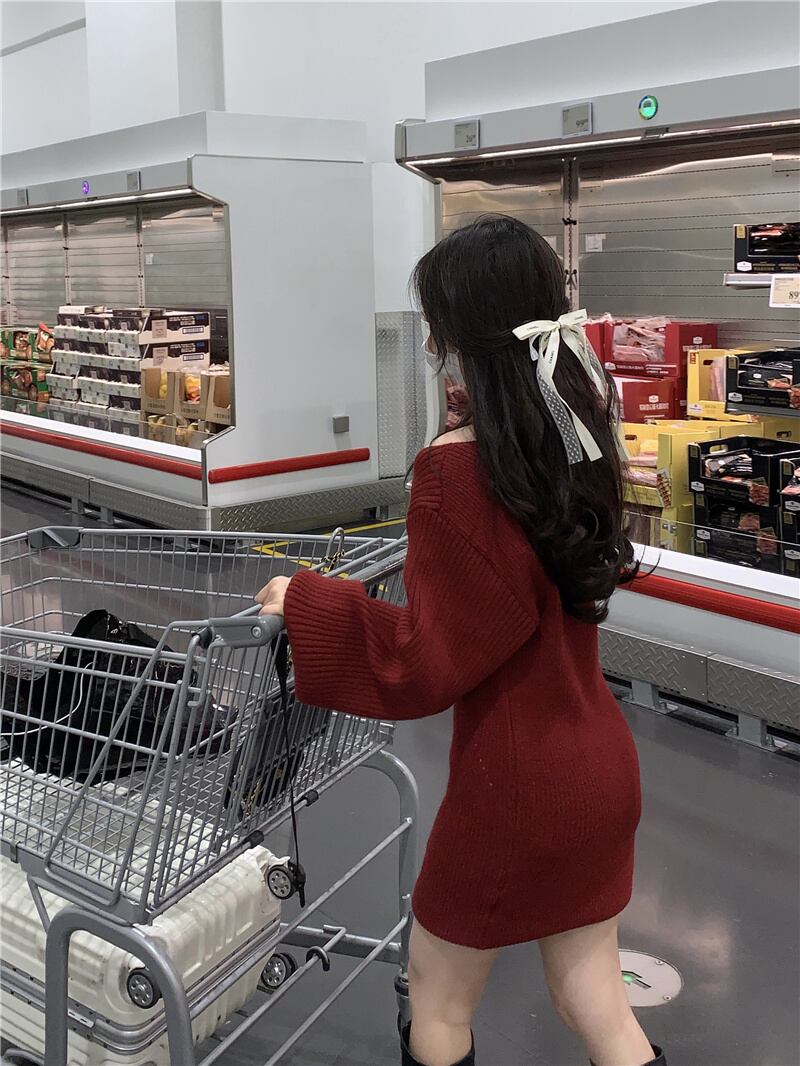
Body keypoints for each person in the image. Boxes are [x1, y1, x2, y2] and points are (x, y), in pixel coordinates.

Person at [256, 215, 665, 1066]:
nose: (430, 343)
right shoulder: (574, 439)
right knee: (594, 1000)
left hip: (514, 790)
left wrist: (307, 602)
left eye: (439, 324)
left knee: (438, 996)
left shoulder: (454, 473)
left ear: (462, 336)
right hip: (599, 769)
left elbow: (423, 661)